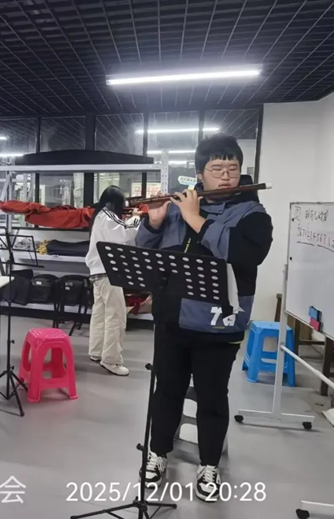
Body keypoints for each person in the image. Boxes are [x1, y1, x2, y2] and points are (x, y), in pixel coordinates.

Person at [135, 134, 273, 501]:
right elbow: (146, 253)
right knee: (167, 391)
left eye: (232, 169)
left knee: (212, 398)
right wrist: (153, 223)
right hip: (172, 319)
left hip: (219, 324)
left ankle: (209, 464)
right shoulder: (179, 206)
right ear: (200, 174)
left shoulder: (253, 214)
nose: (226, 176)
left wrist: (196, 220)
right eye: (217, 169)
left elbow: (245, 255)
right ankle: (158, 453)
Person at [85, 186, 140, 376]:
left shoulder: (99, 215)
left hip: (98, 272)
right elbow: (123, 233)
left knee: (100, 313)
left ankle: (96, 351)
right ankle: (111, 360)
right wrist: (136, 218)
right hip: (108, 273)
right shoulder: (108, 215)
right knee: (116, 316)